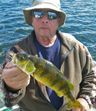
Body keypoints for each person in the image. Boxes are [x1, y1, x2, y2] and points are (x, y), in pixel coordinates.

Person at [0, 0, 96, 111]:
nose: (44, 19)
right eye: (38, 14)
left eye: (52, 15)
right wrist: (11, 87)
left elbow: (92, 75)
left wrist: (85, 99)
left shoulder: (78, 48)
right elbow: (6, 100)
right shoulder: (16, 52)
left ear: (58, 20)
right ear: (31, 18)